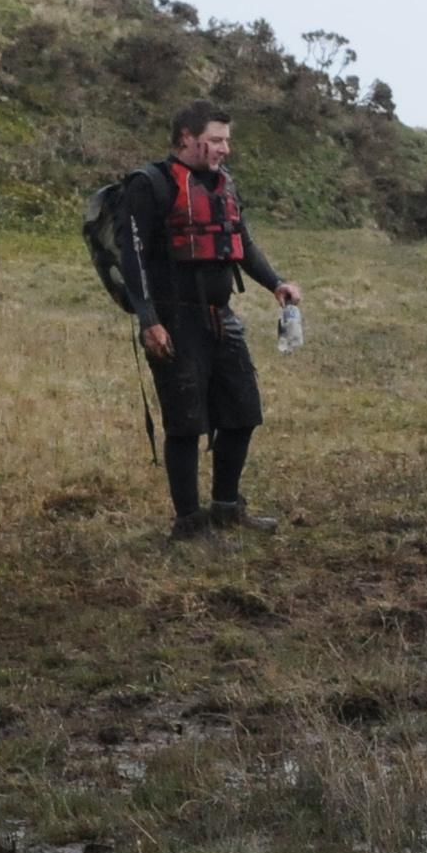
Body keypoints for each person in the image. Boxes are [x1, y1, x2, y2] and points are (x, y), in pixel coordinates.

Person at [118, 99, 305, 542]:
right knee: (185, 424)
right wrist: (149, 320)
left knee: (243, 413)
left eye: (226, 140)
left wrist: (276, 283)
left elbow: (242, 242)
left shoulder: (224, 183)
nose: (225, 148)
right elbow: (132, 259)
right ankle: (189, 523)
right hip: (174, 320)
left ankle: (226, 507)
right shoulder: (149, 185)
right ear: (187, 137)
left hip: (222, 317)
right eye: (216, 140)